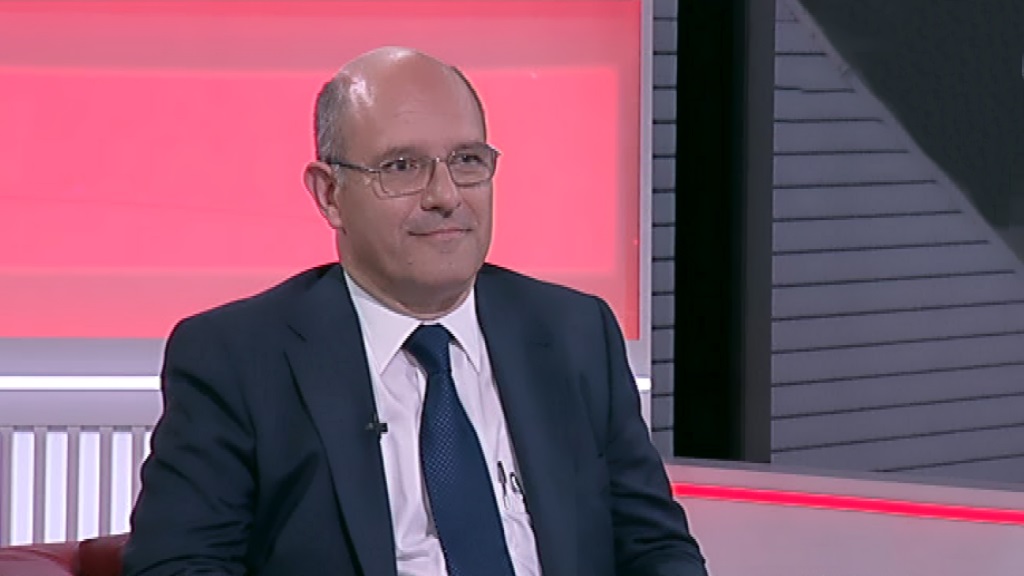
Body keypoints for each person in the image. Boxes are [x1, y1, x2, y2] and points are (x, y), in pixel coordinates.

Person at [123, 46, 707, 576]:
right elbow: (175, 566)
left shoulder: (575, 333)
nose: (445, 196)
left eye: (467, 160)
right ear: (330, 194)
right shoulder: (238, 358)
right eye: (402, 167)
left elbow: (656, 549)